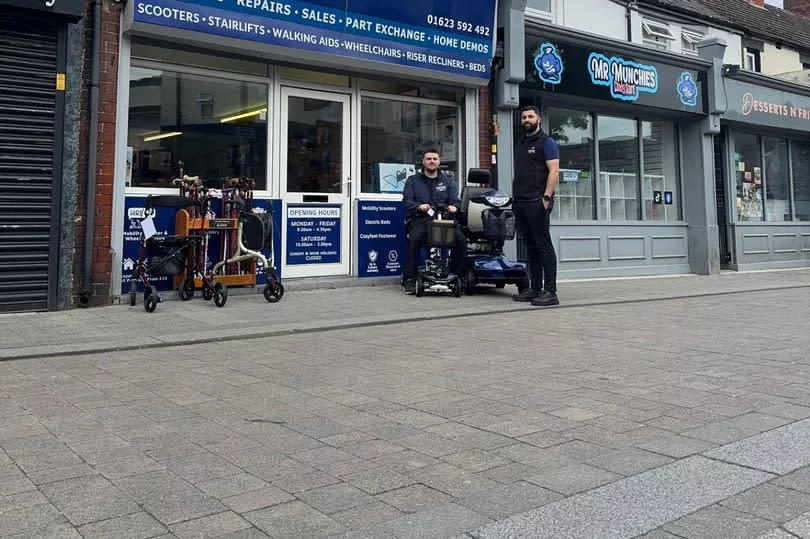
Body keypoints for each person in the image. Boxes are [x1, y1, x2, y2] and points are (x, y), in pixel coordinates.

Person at [512, 105, 560, 306]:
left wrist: (546, 198)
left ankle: (551, 292)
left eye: (530, 116)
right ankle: (535, 288)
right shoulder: (521, 141)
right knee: (530, 246)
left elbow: (554, 171)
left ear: (538, 119)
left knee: (543, 246)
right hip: (521, 201)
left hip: (537, 201)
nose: (526, 120)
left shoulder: (547, 142)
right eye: (523, 117)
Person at [401, 148, 466, 294]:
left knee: (461, 240)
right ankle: (409, 278)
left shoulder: (448, 182)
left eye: (434, 159)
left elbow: (456, 202)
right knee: (414, 239)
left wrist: (454, 208)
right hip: (421, 220)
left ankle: (455, 274)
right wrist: (419, 207)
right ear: (423, 162)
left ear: (439, 161)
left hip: (444, 221)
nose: (432, 161)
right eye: (429, 159)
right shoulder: (413, 181)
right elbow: (406, 202)